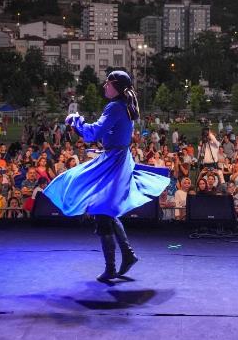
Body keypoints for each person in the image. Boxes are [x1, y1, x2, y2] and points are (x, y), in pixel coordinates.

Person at [44, 71, 169, 282]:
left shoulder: (115, 106)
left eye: (107, 83)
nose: (104, 86)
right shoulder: (124, 105)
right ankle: (127, 255)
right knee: (106, 210)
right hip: (117, 159)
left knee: (101, 209)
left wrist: (76, 121)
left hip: (114, 161)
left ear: (116, 87)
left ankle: (113, 267)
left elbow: (94, 133)